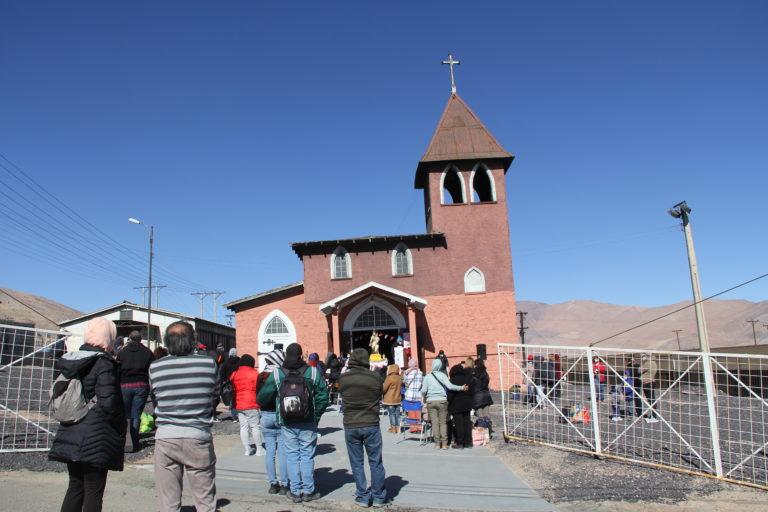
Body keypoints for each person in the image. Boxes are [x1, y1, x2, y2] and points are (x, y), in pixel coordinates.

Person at [49, 317, 126, 512]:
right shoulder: (104, 363)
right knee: (94, 491)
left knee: (75, 487)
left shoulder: (71, 359)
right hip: (96, 435)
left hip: (70, 428)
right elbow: (109, 403)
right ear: (109, 337)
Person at [149, 321, 218, 512]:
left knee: (167, 501)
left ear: (167, 342)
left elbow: (155, 399)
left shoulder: (155, 367)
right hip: (198, 436)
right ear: (193, 340)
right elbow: (214, 395)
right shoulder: (208, 364)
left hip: (166, 437)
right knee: (205, 500)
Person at [257, 343, 329, 503]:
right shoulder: (313, 372)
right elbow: (324, 397)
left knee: (291, 455)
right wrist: (315, 416)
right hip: (308, 421)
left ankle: (295, 492)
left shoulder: (277, 374)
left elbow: (261, 398)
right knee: (307, 455)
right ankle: (308, 491)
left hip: (287, 421)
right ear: (301, 355)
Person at [337, 348, 389, 507]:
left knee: (357, 462)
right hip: (371, 423)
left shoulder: (344, 378)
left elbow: (341, 394)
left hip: (351, 424)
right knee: (376, 461)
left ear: (351, 360)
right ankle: (379, 496)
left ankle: (363, 495)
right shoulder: (376, 378)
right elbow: (380, 394)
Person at [117, 329, 153, 453]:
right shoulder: (147, 352)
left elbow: (117, 368)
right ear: (140, 339)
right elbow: (152, 369)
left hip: (125, 385)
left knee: (126, 414)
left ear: (130, 338)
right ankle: (134, 439)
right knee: (136, 414)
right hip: (141, 385)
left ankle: (125, 440)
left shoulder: (122, 352)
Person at [259, 349, 289, 495]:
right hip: (281, 415)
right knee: (283, 452)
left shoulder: (261, 376)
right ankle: (284, 484)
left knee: (270, 452)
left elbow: (258, 397)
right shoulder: (282, 376)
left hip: (265, 415)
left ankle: (272, 484)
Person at [420, 358, 467, 449]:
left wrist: (424, 396)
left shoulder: (428, 377)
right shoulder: (443, 375)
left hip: (431, 401)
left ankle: (437, 444)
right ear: (440, 366)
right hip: (442, 401)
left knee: (434, 423)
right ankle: (444, 444)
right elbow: (450, 386)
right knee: (443, 423)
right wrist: (461, 388)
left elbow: (423, 390)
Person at [230, 354, 263, 456]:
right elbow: (259, 388)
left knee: (243, 427)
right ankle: (259, 449)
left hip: (239, 404)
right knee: (255, 427)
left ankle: (247, 449)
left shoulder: (235, 374)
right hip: (252, 403)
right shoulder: (255, 373)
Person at [447, 363, 474, 449]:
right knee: (467, 423)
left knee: (459, 425)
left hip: (456, 406)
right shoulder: (468, 379)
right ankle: (468, 442)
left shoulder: (452, 381)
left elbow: (450, 395)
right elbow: (472, 392)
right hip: (467, 405)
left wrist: (448, 404)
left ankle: (460, 443)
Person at [221, 348, 240, 421]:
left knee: (232, 400)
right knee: (238, 399)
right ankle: (239, 415)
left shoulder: (226, 363)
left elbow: (222, 375)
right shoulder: (240, 362)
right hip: (239, 383)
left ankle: (234, 416)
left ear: (229, 354)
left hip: (229, 384)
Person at [382, 364, 402, 433]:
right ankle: (398, 428)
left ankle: (393, 428)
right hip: (398, 399)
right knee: (397, 414)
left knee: (391, 414)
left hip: (390, 399)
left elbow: (384, 388)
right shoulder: (399, 378)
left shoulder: (389, 378)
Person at [640, 354, 659, 423]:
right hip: (651, 382)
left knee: (651, 400)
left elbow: (639, 371)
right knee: (652, 399)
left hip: (647, 383)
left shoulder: (648, 363)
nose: (643, 358)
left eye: (644, 356)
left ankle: (653, 416)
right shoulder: (654, 363)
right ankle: (653, 415)